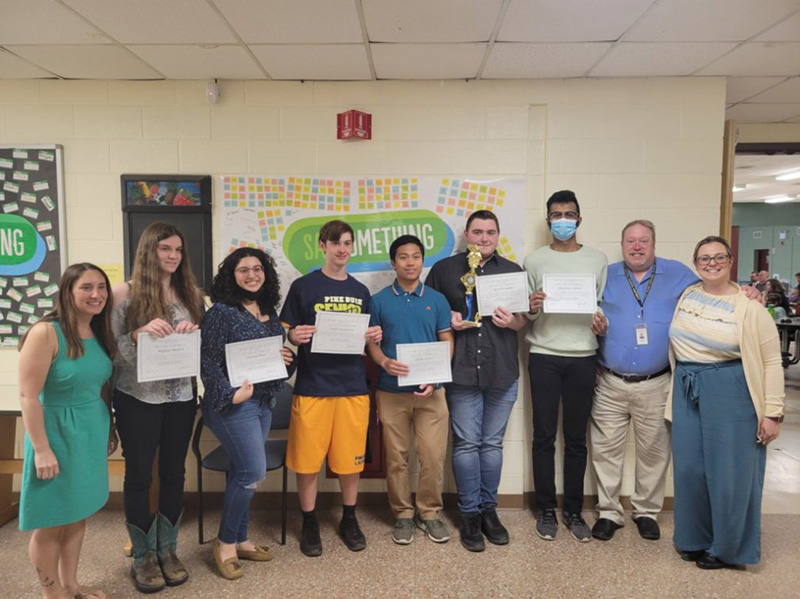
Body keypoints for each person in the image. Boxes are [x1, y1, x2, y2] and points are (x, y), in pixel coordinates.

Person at [668, 236, 784, 569]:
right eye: (704, 258)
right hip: (688, 388)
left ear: (730, 261)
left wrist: (772, 412)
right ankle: (693, 538)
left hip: (731, 389)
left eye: (719, 257)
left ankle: (728, 548)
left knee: (730, 472)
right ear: (695, 264)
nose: (712, 263)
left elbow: (771, 361)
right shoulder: (688, 294)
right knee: (690, 469)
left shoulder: (750, 307)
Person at [426, 210, 529, 552]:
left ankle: (489, 510)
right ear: (466, 235)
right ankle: (469, 514)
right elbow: (431, 315)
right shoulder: (444, 270)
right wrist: (449, 320)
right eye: (477, 232)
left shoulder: (513, 271)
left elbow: (523, 322)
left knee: (492, 444)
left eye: (490, 232)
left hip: (501, 370)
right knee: (467, 443)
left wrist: (512, 322)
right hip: (462, 371)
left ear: (498, 236)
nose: (484, 238)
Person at [588, 220, 697, 542]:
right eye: (630, 241)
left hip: (656, 382)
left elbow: (712, 290)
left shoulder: (678, 274)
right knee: (606, 450)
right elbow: (585, 309)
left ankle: (646, 511)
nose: (637, 247)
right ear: (622, 245)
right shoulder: (606, 275)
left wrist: (743, 291)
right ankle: (609, 512)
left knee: (654, 451)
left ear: (653, 244)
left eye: (643, 241)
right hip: (609, 381)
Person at [111, 221, 205, 592]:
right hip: (137, 398)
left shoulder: (192, 294)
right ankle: (143, 556)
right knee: (138, 476)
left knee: (173, 473)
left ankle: (168, 549)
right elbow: (110, 350)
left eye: (178, 250)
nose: (173, 256)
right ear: (149, 250)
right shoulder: (125, 294)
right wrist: (137, 334)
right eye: (165, 248)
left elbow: (205, 347)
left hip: (181, 397)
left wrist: (193, 334)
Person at [279, 219, 382, 557]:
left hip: (352, 387)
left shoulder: (360, 291)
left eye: (348, 243)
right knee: (307, 462)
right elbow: (286, 328)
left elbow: (367, 339)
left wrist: (374, 338)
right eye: (335, 242)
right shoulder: (303, 287)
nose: (342, 249)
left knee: (350, 462)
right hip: (313, 387)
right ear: (322, 246)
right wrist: (292, 336)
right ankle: (309, 520)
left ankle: (348, 517)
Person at [18, 263, 117, 599]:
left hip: (91, 429)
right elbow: (28, 396)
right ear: (67, 292)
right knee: (52, 520)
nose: (96, 294)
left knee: (77, 514)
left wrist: (110, 430)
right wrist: (42, 449)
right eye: (86, 287)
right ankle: (52, 593)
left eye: (102, 287)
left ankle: (72, 585)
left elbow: (101, 386)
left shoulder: (99, 332)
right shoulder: (46, 332)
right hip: (55, 432)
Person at [200, 248, 295, 579]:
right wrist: (230, 394)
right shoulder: (221, 313)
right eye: (243, 270)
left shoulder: (267, 308)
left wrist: (286, 360)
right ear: (232, 275)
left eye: (257, 269)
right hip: (233, 404)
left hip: (263, 401)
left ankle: (240, 538)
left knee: (245, 470)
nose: (252, 275)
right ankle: (225, 542)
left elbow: (276, 360)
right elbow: (208, 363)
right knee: (252, 470)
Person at [524, 190, 608, 543]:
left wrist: (601, 324)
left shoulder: (597, 260)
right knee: (543, 436)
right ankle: (546, 508)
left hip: (583, 357)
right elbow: (526, 314)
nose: (562, 220)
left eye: (569, 214)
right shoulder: (534, 261)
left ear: (579, 219)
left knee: (576, 439)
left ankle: (573, 510)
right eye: (556, 215)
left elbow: (600, 303)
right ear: (548, 221)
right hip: (543, 354)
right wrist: (532, 305)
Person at [366, 235, 454, 545]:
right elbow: (372, 344)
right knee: (396, 457)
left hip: (432, 392)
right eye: (403, 257)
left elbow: (447, 339)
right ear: (393, 263)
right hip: (391, 391)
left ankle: (429, 513)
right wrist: (384, 362)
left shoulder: (437, 299)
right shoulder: (378, 301)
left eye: (416, 256)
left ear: (422, 260)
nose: (410, 262)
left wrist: (438, 376)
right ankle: (403, 514)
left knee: (432, 456)